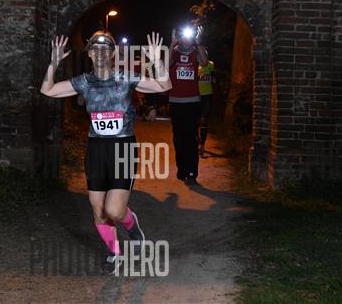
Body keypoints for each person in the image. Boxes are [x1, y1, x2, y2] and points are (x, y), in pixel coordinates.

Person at [40, 30, 171, 275]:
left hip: (123, 148)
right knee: (99, 210)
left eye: (105, 49)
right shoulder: (84, 82)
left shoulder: (126, 78)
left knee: (114, 211)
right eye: (95, 48)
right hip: (96, 149)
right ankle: (114, 252)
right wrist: (53, 63)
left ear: (112, 54)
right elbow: (48, 90)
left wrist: (157, 61)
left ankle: (131, 225)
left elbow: (165, 85)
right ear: (89, 54)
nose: (100, 53)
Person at [168, 25, 208, 185]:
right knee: (178, 137)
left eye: (189, 36)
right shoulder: (174, 52)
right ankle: (182, 169)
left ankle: (192, 172)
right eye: (182, 36)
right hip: (175, 102)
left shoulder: (196, 51)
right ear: (179, 37)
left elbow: (205, 63)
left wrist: (199, 43)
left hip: (192, 102)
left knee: (191, 137)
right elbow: (165, 65)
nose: (186, 39)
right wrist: (171, 45)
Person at [198, 59, 216, 156]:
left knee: (204, 119)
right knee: (195, 121)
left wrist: (212, 78)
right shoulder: (195, 64)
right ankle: (198, 143)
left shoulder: (211, 64)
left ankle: (202, 145)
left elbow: (214, 78)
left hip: (207, 95)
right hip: (196, 95)